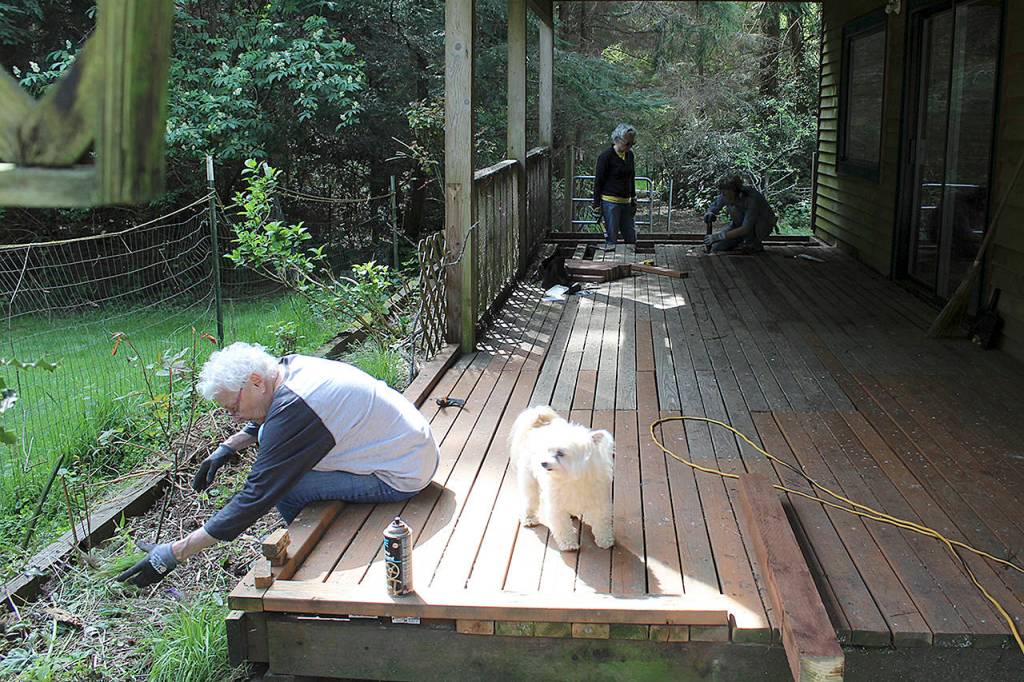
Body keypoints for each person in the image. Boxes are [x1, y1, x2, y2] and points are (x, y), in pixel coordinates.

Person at [115, 342, 439, 587]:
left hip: (403, 473)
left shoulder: (297, 407)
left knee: (289, 487)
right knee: (276, 450)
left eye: (233, 407)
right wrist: (229, 446)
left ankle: (306, 557)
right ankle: (314, 532)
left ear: (255, 380)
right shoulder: (287, 369)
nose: (234, 416)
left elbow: (256, 497)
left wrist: (175, 552)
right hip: (412, 446)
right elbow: (275, 413)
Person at [703, 175, 778, 254]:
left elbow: (746, 228)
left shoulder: (752, 199)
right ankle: (740, 241)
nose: (723, 194)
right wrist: (710, 213)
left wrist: (718, 236)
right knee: (717, 246)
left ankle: (753, 243)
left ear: (733, 191)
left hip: (760, 226)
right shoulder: (725, 195)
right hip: (738, 225)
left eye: (726, 192)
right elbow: (715, 206)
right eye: (722, 192)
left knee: (748, 239)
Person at [592, 123, 638, 251]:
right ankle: (611, 266)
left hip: (626, 202)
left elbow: (631, 177)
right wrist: (596, 204)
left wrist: (633, 198)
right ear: (617, 140)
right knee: (612, 239)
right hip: (610, 203)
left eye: (632, 144)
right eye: (627, 143)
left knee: (631, 237)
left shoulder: (630, 155)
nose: (629, 147)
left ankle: (631, 263)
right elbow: (598, 181)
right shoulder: (605, 157)